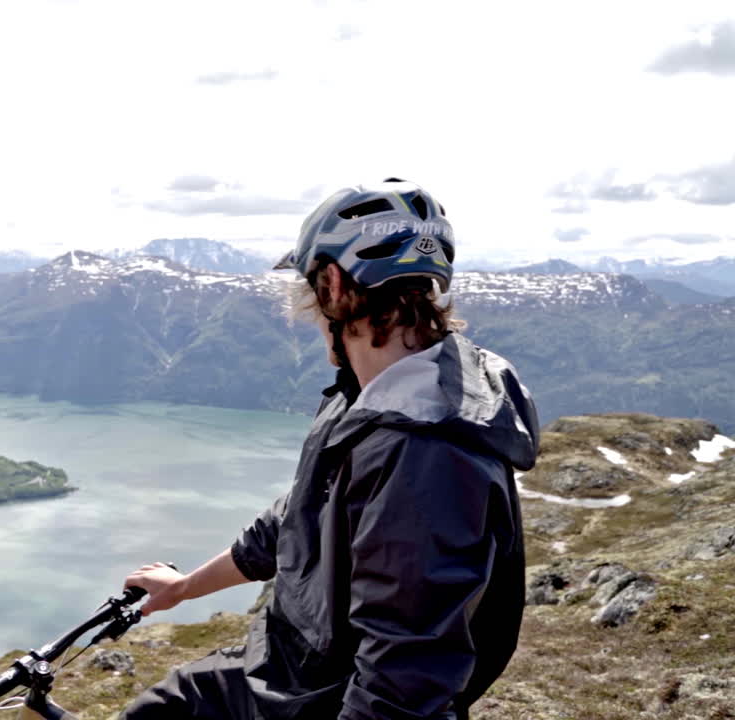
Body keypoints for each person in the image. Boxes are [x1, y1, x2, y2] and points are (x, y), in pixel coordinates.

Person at [123, 179, 537, 720]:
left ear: (335, 286)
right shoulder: (369, 401)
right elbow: (294, 522)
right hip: (289, 671)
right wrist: (184, 588)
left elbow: (403, 681)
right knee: (167, 707)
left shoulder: (424, 452)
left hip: (326, 698)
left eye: (311, 287)